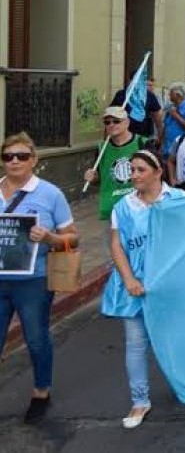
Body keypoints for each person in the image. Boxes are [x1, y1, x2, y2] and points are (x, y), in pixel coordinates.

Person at [102, 150, 185, 429]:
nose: (135, 176)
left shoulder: (179, 200)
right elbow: (117, 245)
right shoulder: (123, 206)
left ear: (157, 171)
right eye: (133, 171)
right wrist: (128, 279)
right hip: (136, 285)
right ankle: (140, 401)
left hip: (170, 287)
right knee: (136, 345)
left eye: (140, 170)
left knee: (175, 339)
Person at [0, 132, 79, 425]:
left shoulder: (50, 194)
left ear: (33, 159)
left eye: (21, 156)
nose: (15, 161)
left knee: (35, 338)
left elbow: (74, 238)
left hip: (34, 280)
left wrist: (49, 237)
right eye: (8, 156)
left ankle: (41, 392)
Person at [83, 106, 153, 220]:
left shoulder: (143, 143)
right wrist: (93, 178)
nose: (111, 125)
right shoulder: (101, 148)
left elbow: (155, 175)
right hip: (112, 210)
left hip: (140, 207)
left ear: (127, 122)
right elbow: (100, 180)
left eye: (116, 121)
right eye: (107, 122)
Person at [111, 70, 163, 141]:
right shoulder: (121, 94)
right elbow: (111, 114)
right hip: (122, 135)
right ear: (130, 81)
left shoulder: (149, 95)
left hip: (142, 135)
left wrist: (160, 135)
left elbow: (157, 114)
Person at [159, 83, 185, 161]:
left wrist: (176, 115)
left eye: (171, 93)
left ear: (178, 95)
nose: (169, 95)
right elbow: (166, 126)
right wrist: (161, 145)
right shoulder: (170, 107)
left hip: (181, 149)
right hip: (167, 148)